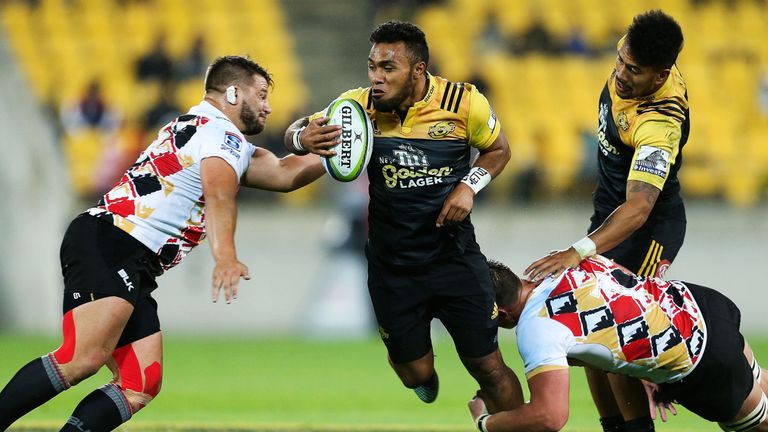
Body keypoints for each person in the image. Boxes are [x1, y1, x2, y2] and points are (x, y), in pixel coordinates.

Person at [0, 55, 327, 431]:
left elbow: (285, 173)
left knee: (140, 382)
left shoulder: (213, 134)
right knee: (82, 357)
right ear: (234, 93)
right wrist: (226, 255)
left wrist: (344, 154)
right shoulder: (219, 136)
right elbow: (218, 195)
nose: (269, 106)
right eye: (262, 94)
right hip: (113, 239)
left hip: (128, 251)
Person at [283, 21, 523, 413]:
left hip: (454, 258)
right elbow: (296, 128)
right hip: (392, 267)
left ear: (418, 70)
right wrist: (299, 139)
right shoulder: (357, 106)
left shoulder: (464, 103)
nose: (376, 78)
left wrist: (469, 185)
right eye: (372, 66)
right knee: (415, 373)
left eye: (387, 68)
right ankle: (423, 377)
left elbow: (499, 150)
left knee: (487, 365)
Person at [524, 10, 689, 432]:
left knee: (617, 338)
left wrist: (576, 250)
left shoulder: (659, 123)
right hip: (607, 219)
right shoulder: (635, 57)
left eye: (632, 70)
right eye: (619, 59)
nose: (619, 73)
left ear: (660, 75)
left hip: (644, 232)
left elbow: (638, 209)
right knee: (584, 337)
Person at [468, 256, 768, 432]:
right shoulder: (560, 260)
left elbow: (550, 416)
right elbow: (626, 282)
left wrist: (485, 421)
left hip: (701, 356)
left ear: (503, 314)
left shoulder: (536, 329)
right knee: (760, 382)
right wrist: (646, 359)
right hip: (699, 303)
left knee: (759, 423)